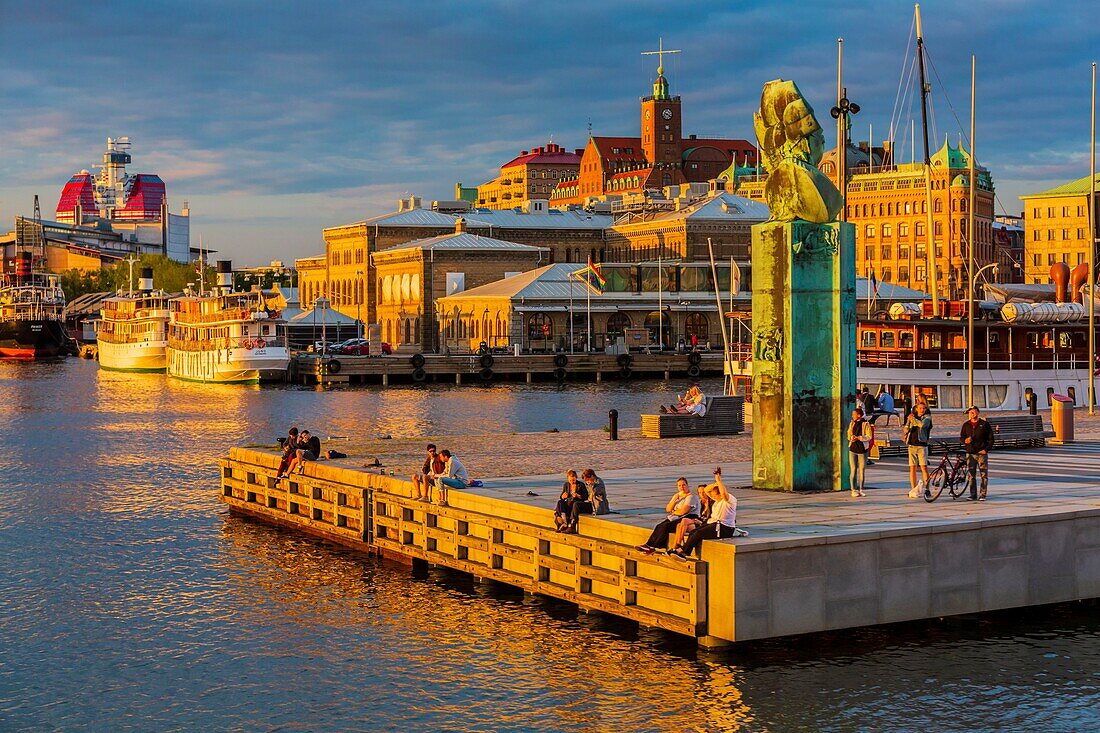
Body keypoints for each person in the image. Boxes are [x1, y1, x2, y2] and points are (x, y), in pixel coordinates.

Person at [672, 471, 742, 559]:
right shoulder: (717, 500)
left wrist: (719, 481)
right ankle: (684, 551)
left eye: (714, 494)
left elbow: (724, 494)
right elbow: (706, 489)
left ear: (719, 493)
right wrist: (715, 483)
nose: (712, 496)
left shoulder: (729, 500)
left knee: (698, 533)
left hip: (725, 528)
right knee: (694, 531)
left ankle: (683, 552)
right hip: (714, 524)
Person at [635, 478, 700, 554]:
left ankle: (652, 546)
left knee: (665, 526)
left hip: (688, 517)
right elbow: (668, 509)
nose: (682, 487)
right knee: (659, 526)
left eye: (683, 485)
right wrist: (675, 499)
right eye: (679, 485)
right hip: (676, 517)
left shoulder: (691, 497)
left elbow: (683, 511)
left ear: (687, 485)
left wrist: (674, 511)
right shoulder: (677, 496)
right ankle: (648, 545)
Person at [960, 405, 993, 501]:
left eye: (974, 412)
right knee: (971, 474)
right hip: (970, 453)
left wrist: (986, 449)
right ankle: (972, 494)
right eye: (970, 412)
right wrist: (965, 441)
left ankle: (982, 494)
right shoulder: (966, 425)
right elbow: (962, 437)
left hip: (981, 453)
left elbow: (991, 439)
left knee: (983, 474)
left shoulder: (984, 424)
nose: (972, 413)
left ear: (978, 412)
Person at [668, 483, 712, 554]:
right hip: (696, 523)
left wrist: (701, 522)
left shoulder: (712, 504)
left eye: (704, 492)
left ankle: (676, 546)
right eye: (700, 493)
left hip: (705, 525)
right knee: (679, 525)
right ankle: (675, 547)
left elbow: (713, 519)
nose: (702, 494)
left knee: (684, 520)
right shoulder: (700, 502)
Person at [904, 402, 932, 498]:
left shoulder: (927, 418)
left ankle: (927, 489)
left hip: (921, 445)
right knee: (912, 468)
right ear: (916, 409)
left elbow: (922, 425)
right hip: (912, 445)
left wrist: (913, 419)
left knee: (924, 467)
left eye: (923, 408)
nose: (922, 410)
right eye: (920, 408)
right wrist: (907, 426)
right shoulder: (912, 417)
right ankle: (913, 488)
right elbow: (906, 428)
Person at [847, 408, 872, 497]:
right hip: (853, 448)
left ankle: (861, 489)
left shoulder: (866, 424)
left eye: (854, 414)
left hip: (862, 449)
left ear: (859, 415)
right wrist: (851, 438)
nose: (852, 415)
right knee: (853, 469)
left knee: (862, 470)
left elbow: (869, 436)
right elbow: (848, 434)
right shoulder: (852, 423)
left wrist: (859, 438)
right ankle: (853, 489)